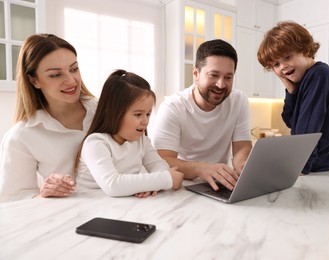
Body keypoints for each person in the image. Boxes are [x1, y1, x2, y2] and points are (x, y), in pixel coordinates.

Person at [0, 34, 97, 202]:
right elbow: (13, 199)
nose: (71, 80)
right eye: (55, 75)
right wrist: (43, 194)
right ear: (34, 80)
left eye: (74, 69)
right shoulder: (22, 136)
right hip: (68, 218)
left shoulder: (104, 110)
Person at [151, 39, 252, 191]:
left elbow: (242, 146)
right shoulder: (173, 107)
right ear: (196, 74)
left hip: (221, 183)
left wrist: (242, 165)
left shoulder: (239, 101)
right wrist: (201, 169)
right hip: (184, 186)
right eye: (213, 75)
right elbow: (162, 160)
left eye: (228, 77)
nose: (221, 84)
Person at [75, 70, 184, 198]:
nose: (145, 121)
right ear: (113, 112)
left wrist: (152, 184)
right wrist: (166, 180)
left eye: (148, 114)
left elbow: (159, 165)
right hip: (90, 208)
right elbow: (113, 185)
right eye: (138, 114)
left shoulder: (141, 140)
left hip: (122, 207)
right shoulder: (96, 144)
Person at [257, 21, 329, 174]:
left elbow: (307, 131)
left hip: (311, 168)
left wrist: (299, 167)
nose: (283, 66)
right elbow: (290, 121)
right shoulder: (306, 79)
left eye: (287, 57)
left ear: (305, 50)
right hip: (313, 166)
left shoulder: (319, 75)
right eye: (276, 64)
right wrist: (291, 91)